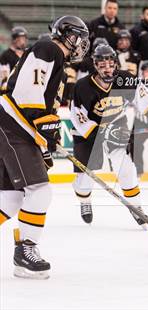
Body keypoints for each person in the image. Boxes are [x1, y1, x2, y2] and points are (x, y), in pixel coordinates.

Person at [0, 16, 89, 279]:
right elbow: (29, 93)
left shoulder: (58, 63)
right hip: (13, 126)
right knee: (39, 190)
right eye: (79, 38)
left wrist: (46, 139)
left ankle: (23, 255)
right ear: (68, 36)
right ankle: (26, 250)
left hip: (15, 128)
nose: (82, 45)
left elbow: (44, 107)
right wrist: (45, 127)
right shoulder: (47, 49)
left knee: (11, 197)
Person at [70, 45, 148, 225]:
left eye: (110, 64)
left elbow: (144, 98)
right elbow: (78, 117)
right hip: (88, 134)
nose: (107, 68)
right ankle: (85, 201)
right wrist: (101, 133)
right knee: (85, 179)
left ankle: (136, 207)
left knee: (127, 169)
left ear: (116, 63)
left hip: (116, 125)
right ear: (95, 65)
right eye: (102, 65)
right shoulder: (82, 87)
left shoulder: (125, 79)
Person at [0, 26, 28, 93]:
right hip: (11, 89)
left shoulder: (26, 54)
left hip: (23, 87)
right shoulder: (6, 55)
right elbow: (4, 77)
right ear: (15, 40)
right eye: (21, 39)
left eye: (24, 39)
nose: (24, 41)